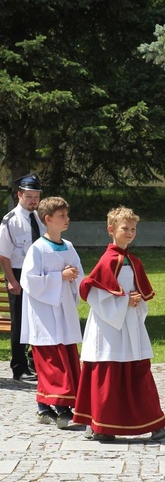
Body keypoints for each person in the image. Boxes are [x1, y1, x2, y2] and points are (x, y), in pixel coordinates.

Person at [73, 207, 165, 441]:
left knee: (137, 372)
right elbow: (94, 295)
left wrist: (133, 301)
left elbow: (138, 293)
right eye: (124, 228)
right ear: (111, 230)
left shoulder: (132, 260)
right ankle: (101, 426)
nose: (130, 233)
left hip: (130, 325)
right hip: (109, 329)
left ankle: (153, 424)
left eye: (133, 229)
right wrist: (126, 301)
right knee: (109, 375)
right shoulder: (107, 261)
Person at [20, 197, 83, 428]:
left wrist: (74, 275)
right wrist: (59, 277)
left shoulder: (69, 246)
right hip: (45, 316)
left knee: (66, 360)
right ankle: (61, 408)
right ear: (48, 219)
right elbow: (29, 281)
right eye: (62, 216)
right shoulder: (38, 248)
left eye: (67, 215)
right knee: (51, 363)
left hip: (64, 312)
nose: (67, 219)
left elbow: (79, 275)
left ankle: (45, 407)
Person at [0, 173, 46, 381]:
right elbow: (4, 255)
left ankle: (35, 362)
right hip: (18, 273)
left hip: (38, 273)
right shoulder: (10, 220)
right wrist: (11, 280)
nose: (33, 200)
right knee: (19, 322)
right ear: (19, 195)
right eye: (29, 196)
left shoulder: (40, 218)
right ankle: (19, 367)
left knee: (38, 319)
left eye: (36, 196)